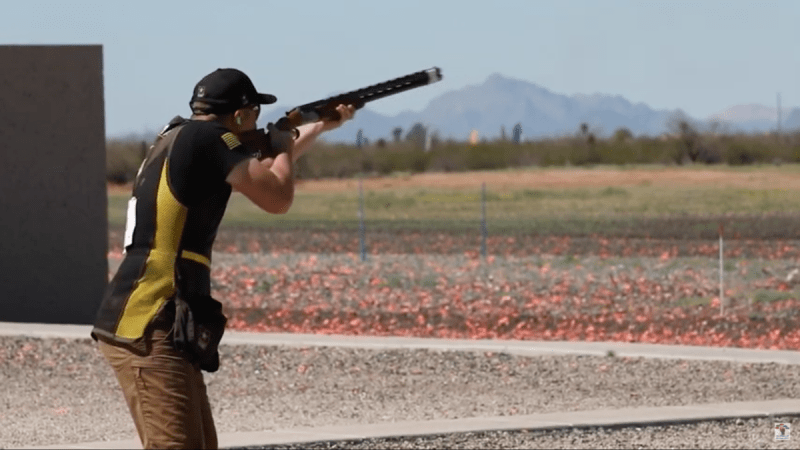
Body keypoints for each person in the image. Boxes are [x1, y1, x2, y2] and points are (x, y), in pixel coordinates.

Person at [91, 68, 355, 449]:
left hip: (156, 320)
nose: (257, 123)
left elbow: (263, 164)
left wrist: (318, 127)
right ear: (241, 116)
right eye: (254, 115)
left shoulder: (183, 136)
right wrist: (281, 144)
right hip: (149, 321)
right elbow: (277, 195)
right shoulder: (210, 139)